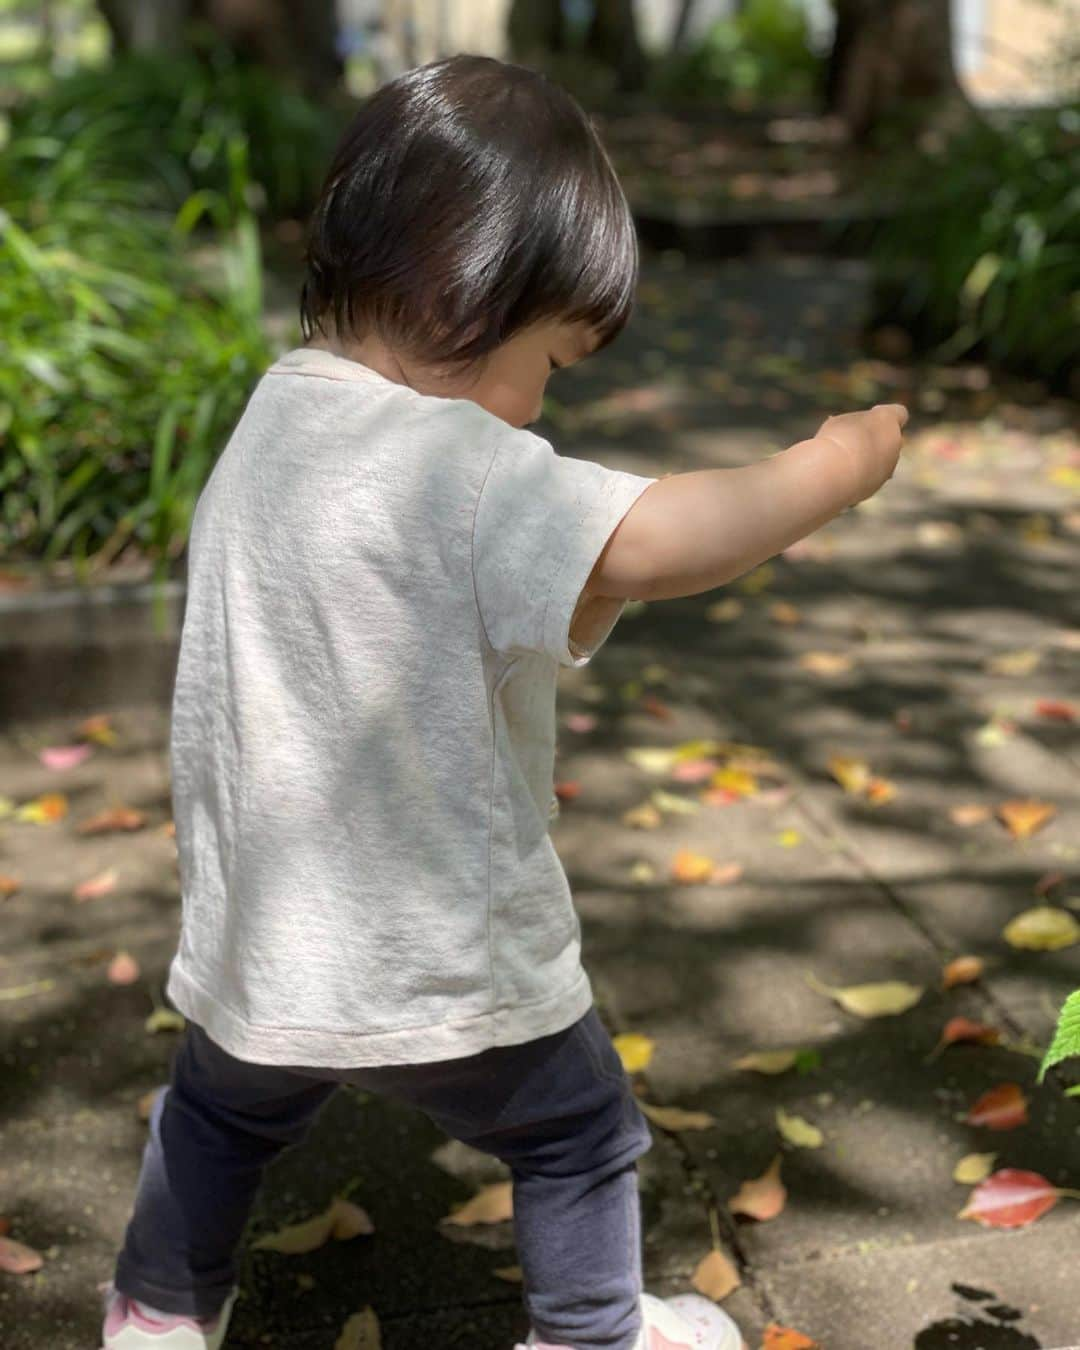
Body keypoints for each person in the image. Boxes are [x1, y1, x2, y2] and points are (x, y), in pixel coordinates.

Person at [99, 53, 906, 1350]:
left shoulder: (269, 422)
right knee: (580, 1127)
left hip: (259, 939)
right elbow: (658, 540)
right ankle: (589, 1331)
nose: (542, 404)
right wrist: (833, 465)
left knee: (216, 1111)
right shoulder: (462, 463)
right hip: (444, 949)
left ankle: (156, 1310)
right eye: (551, 359)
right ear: (464, 286)